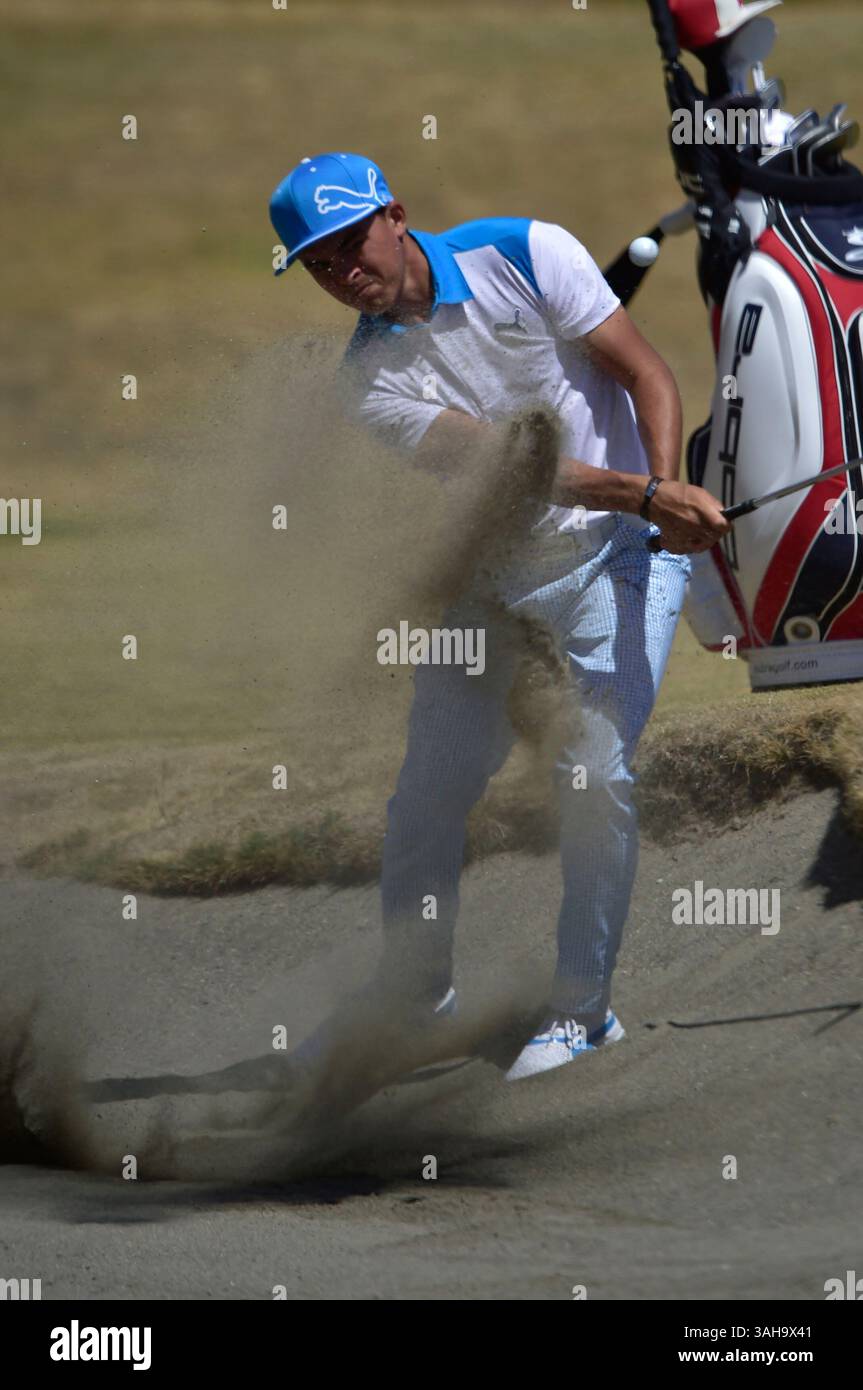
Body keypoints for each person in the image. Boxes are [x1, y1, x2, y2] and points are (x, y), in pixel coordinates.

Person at [269, 152, 730, 1080]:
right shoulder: (369, 383)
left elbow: (644, 370)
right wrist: (648, 493)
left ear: (394, 215)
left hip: (617, 565)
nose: (340, 273)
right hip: (492, 588)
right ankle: (413, 992)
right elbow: (510, 469)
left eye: (348, 243)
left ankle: (582, 1010)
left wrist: (664, 496)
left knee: (593, 776)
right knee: (425, 800)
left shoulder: (522, 252)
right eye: (316, 265)